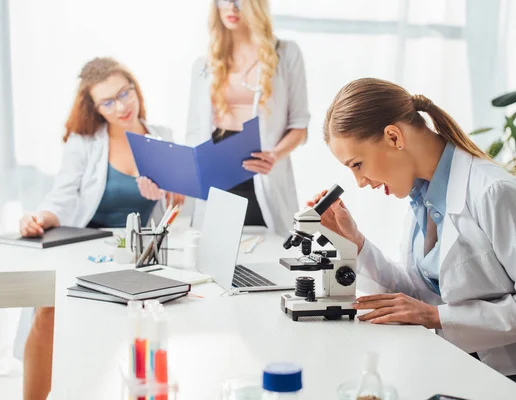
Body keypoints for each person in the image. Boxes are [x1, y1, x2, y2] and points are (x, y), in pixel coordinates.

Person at [310, 77, 516, 376]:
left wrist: (438, 317)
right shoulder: (424, 198)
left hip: (515, 380)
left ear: (394, 137)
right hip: (451, 365)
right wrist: (354, 242)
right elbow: (415, 297)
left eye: (357, 164)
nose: (360, 182)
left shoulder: (495, 192)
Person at [18, 57, 183, 400]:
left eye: (125, 93)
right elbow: (62, 198)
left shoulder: (162, 138)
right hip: (84, 246)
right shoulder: (85, 141)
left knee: (141, 326)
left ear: (135, 88)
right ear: (95, 107)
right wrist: (40, 218)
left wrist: (169, 193)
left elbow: (179, 212)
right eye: (108, 102)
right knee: (48, 310)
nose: (121, 106)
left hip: (137, 254)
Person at [185, 0, 310, 235]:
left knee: (268, 247)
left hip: (263, 168)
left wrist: (274, 155)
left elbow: (299, 125)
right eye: (224, 0)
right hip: (218, 169)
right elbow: (193, 132)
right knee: (215, 245)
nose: (231, 8)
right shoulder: (203, 64)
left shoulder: (285, 54)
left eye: (240, 1)